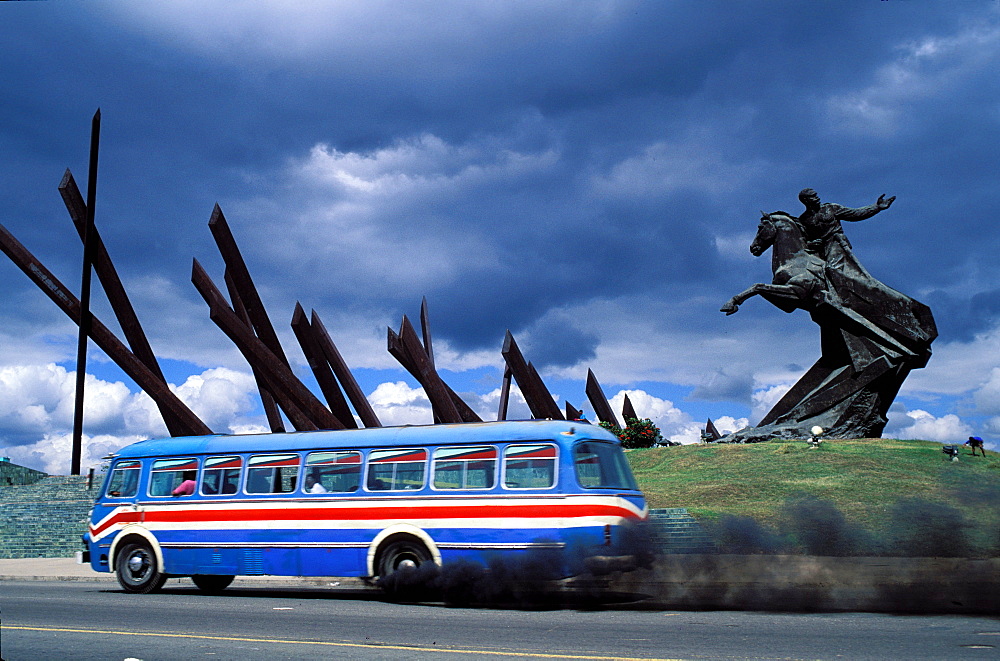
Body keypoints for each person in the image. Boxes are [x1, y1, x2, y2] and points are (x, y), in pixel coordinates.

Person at [796, 188, 894, 271]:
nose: (817, 198)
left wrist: (876, 207)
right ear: (806, 200)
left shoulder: (831, 208)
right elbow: (803, 240)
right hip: (819, 250)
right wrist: (811, 244)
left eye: (816, 195)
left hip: (836, 243)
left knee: (833, 268)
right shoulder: (804, 219)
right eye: (813, 196)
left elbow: (855, 214)